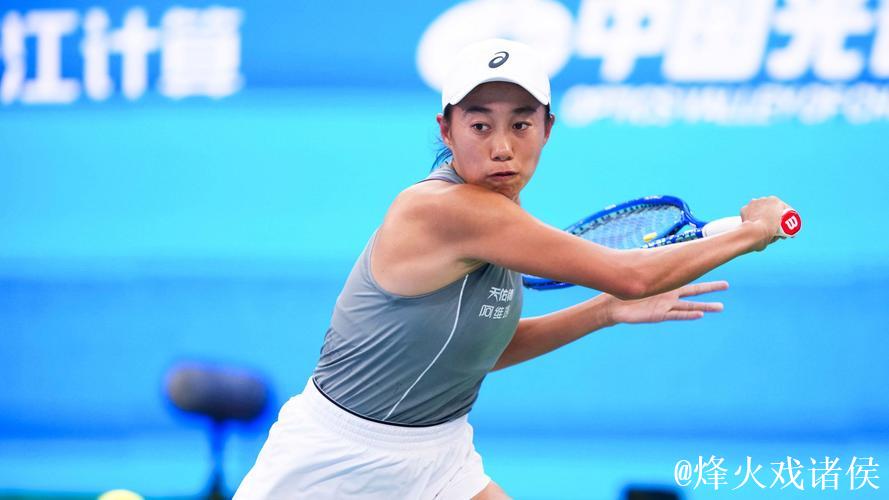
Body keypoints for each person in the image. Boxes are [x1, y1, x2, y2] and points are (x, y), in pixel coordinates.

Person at [234, 38, 793, 499]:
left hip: (441, 454)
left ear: (548, 129)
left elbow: (479, 352)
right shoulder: (443, 209)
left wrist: (604, 311)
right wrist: (756, 231)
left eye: (521, 125)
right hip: (337, 462)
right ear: (446, 130)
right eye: (480, 126)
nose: (502, 147)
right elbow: (634, 276)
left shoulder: (505, 219)